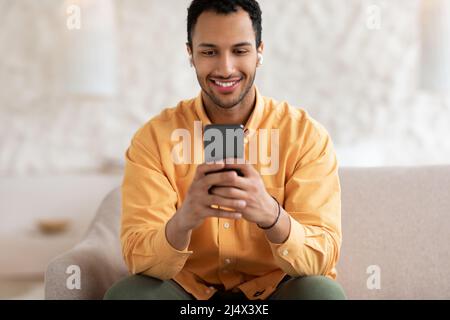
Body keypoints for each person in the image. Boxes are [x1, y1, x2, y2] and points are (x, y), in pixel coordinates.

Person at [105, 0, 346, 300]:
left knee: (322, 294)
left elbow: (322, 257)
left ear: (260, 52)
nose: (226, 68)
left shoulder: (305, 137)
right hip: (190, 297)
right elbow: (137, 257)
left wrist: (271, 215)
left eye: (240, 50)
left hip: (271, 295)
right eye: (209, 52)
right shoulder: (154, 139)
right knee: (128, 296)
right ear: (190, 54)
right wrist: (183, 221)